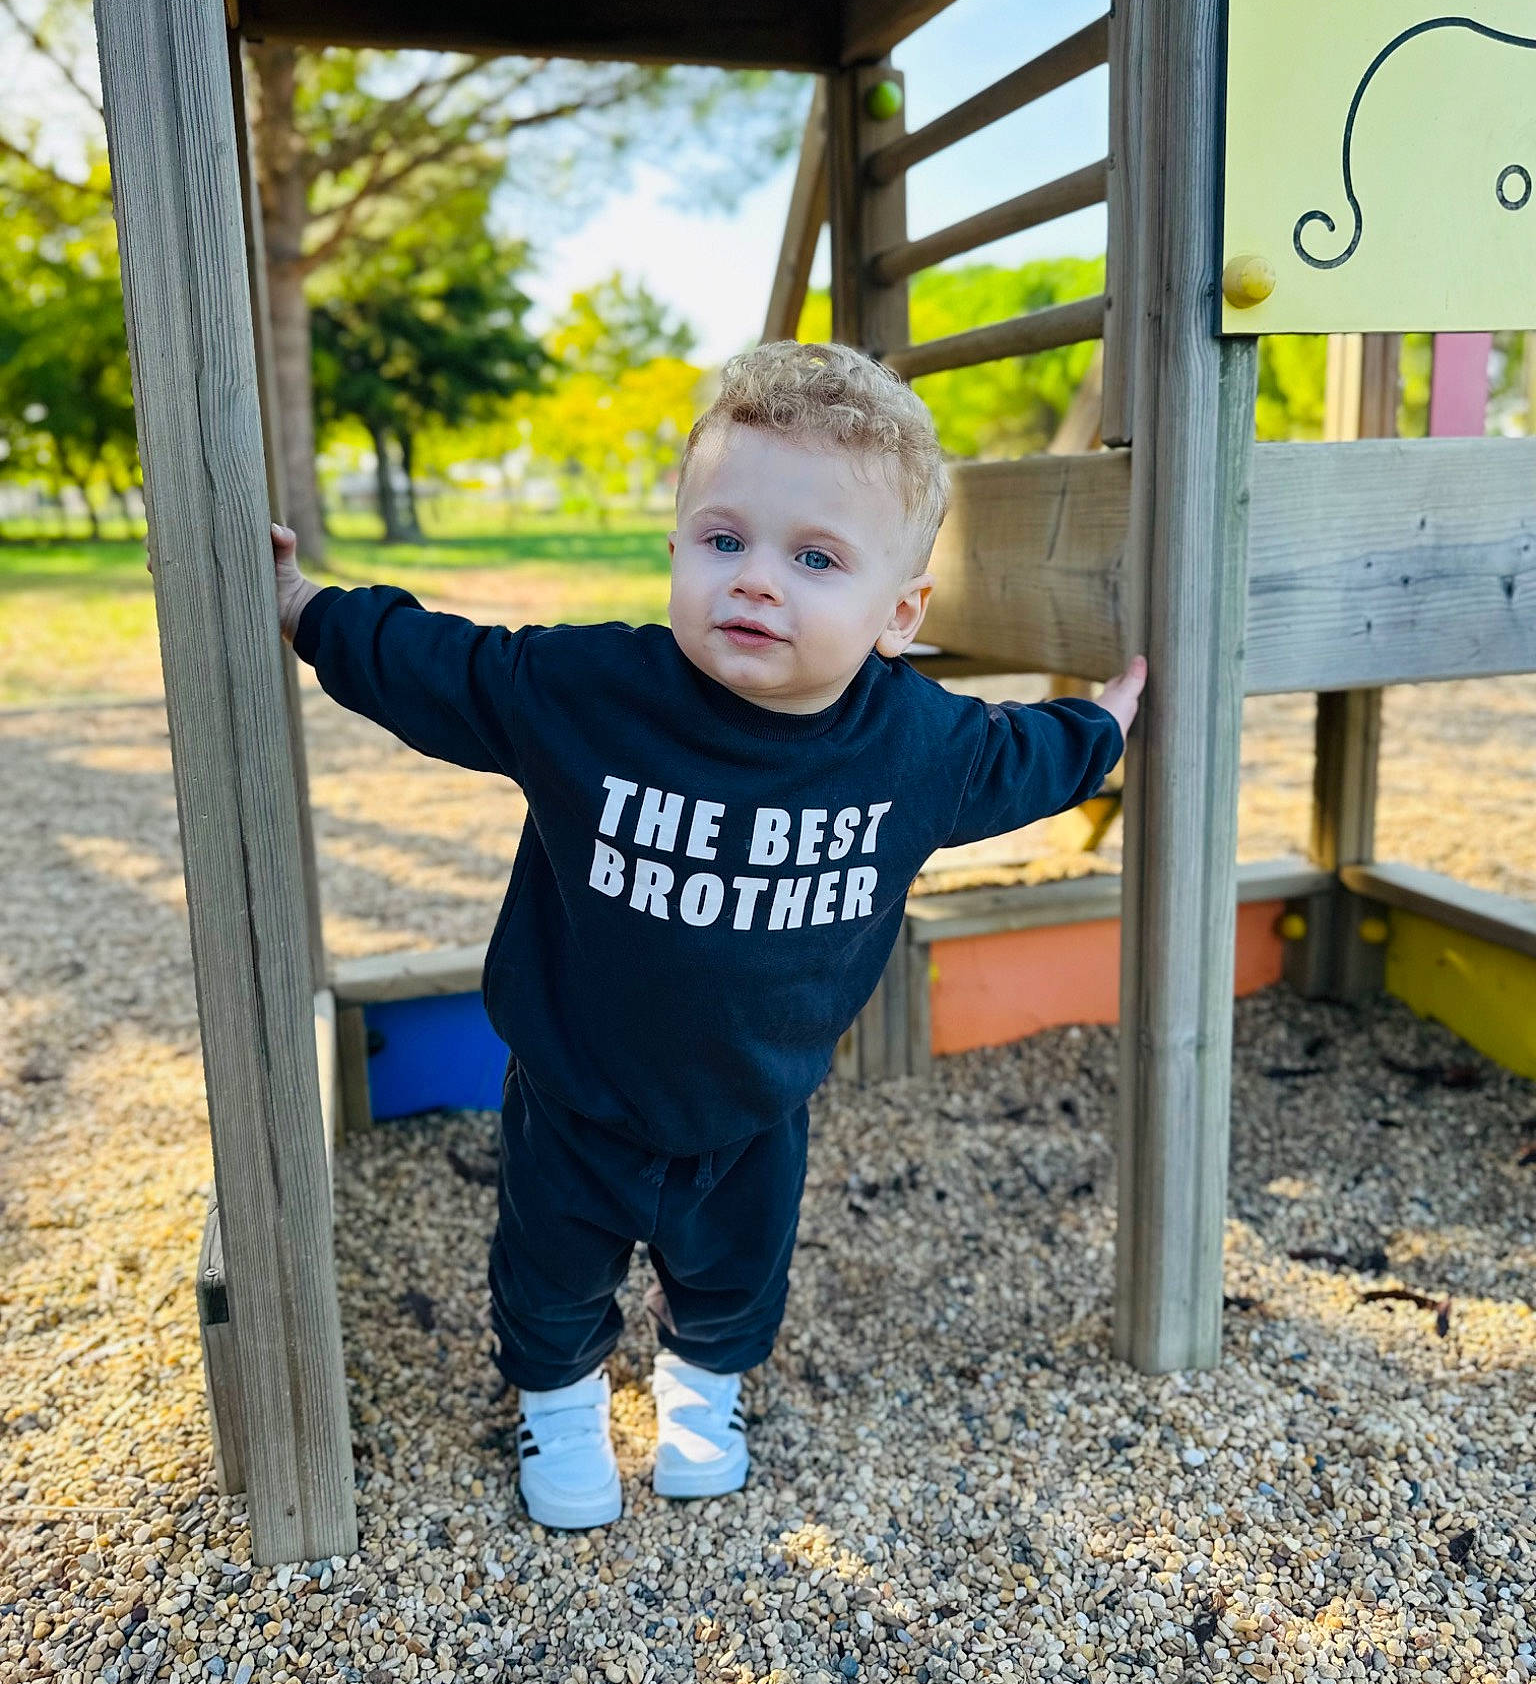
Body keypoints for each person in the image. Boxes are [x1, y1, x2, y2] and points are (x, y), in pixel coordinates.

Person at [273, 339, 1146, 1531]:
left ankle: (701, 1386)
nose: (756, 580)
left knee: (736, 1271)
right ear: (678, 546)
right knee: (548, 1270)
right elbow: (443, 667)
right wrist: (310, 610)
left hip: (756, 1102)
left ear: (898, 614)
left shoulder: (917, 746)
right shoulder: (592, 692)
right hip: (576, 1088)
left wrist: (1099, 725)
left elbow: (1026, 756)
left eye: (815, 557)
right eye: (724, 539)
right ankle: (562, 1399)